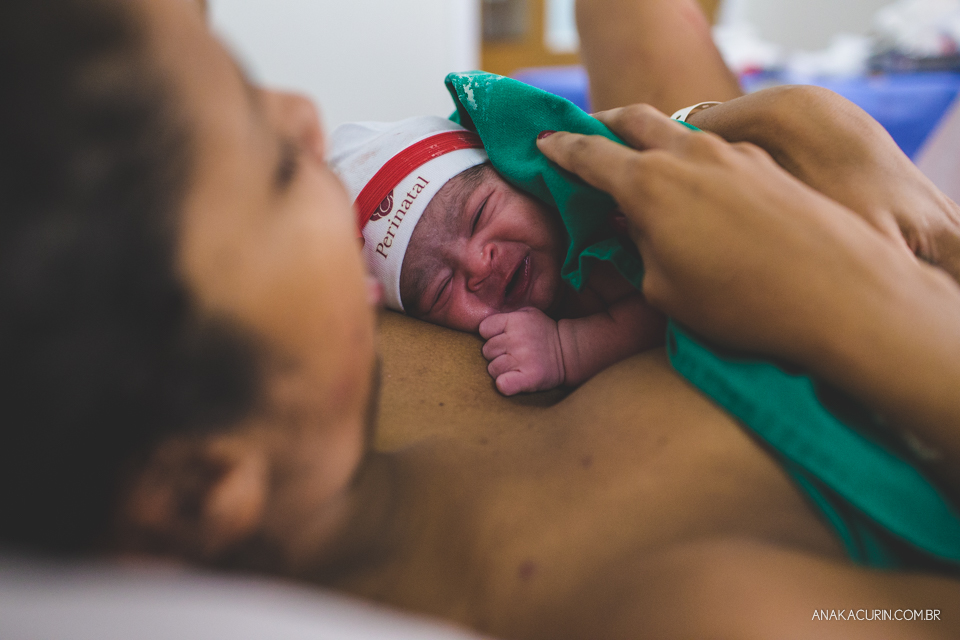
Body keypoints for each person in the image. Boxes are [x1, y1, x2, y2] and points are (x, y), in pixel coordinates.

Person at [2, 3, 960, 640]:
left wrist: (789, 125)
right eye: (277, 168)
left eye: (252, 86)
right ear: (202, 489)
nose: (307, 118)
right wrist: (879, 298)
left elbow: (614, 175)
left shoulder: (325, 363)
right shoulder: (693, 606)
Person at [330, 117, 666, 395]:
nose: (478, 264)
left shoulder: (594, 234)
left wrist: (567, 350)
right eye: (441, 288)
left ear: (515, 177)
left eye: (479, 215)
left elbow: (663, 306)